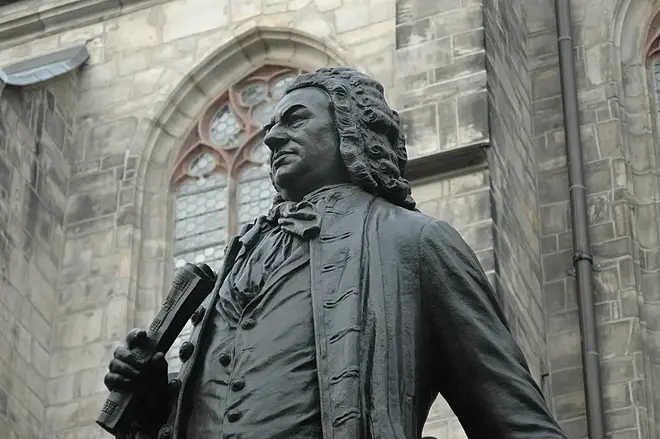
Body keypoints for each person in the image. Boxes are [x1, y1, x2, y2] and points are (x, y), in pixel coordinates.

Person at [104, 67, 566, 439]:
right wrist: (152, 399)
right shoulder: (240, 255)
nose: (271, 138)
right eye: (270, 126)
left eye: (295, 120)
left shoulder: (414, 240)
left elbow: (512, 416)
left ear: (350, 129)